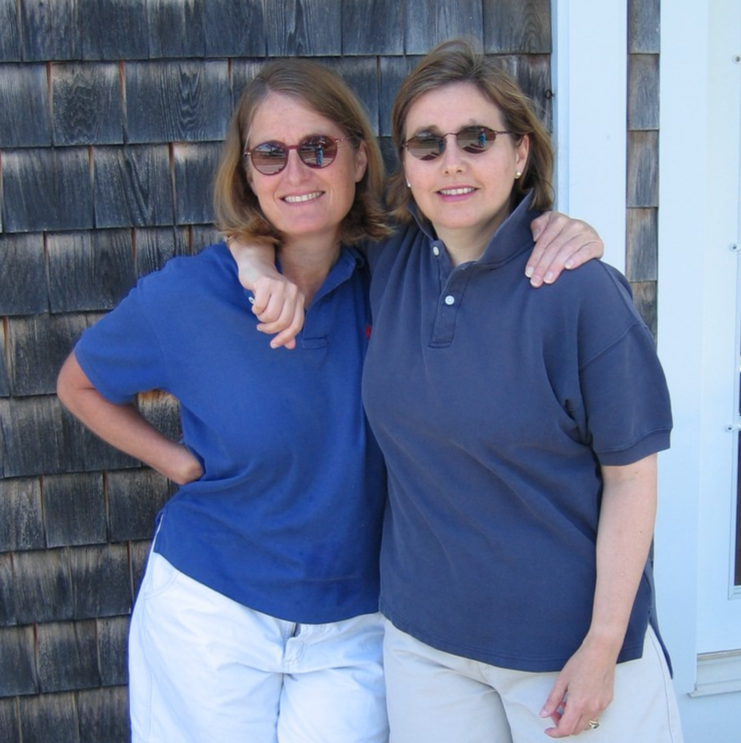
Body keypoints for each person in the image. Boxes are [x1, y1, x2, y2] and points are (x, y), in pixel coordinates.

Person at [57, 57, 601, 743]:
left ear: (358, 159)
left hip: (357, 623)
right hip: (210, 611)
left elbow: (487, 248)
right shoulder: (187, 295)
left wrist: (561, 229)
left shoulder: (402, 276)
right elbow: (79, 384)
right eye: (270, 154)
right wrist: (178, 462)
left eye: (318, 149)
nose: (295, 173)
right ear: (246, 173)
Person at [232, 41, 683, 743]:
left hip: (565, 651)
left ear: (520, 152)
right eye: (427, 143)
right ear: (405, 164)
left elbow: (630, 478)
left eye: (476, 139)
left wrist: (602, 645)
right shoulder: (389, 259)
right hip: (426, 648)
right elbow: (286, 217)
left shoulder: (580, 293)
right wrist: (253, 262)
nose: (451, 162)